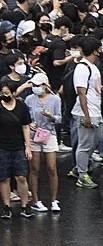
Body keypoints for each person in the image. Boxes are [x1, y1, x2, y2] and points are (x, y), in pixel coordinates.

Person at [24, 73, 60, 213]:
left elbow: (59, 118)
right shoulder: (29, 99)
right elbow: (25, 117)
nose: (35, 88)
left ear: (45, 86)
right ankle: (35, 200)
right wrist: (30, 123)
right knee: (34, 168)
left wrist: (51, 117)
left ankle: (54, 200)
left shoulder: (55, 99)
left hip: (49, 134)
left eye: (38, 85)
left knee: (52, 168)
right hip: (34, 135)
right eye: (34, 85)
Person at [72, 36, 103, 190]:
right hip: (87, 112)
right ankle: (82, 174)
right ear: (95, 50)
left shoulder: (93, 67)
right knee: (85, 145)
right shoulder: (82, 68)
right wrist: (86, 115)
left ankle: (80, 165)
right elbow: (81, 93)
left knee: (97, 139)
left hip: (96, 110)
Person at [0, 79, 33, 219]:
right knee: (4, 178)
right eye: (2, 92)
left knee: (21, 176)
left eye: (7, 93)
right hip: (2, 147)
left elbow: (26, 126)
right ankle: (6, 206)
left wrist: (28, 147)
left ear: (14, 93)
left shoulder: (21, 107)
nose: (4, 95)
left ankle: (25, 205)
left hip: (18, 146)